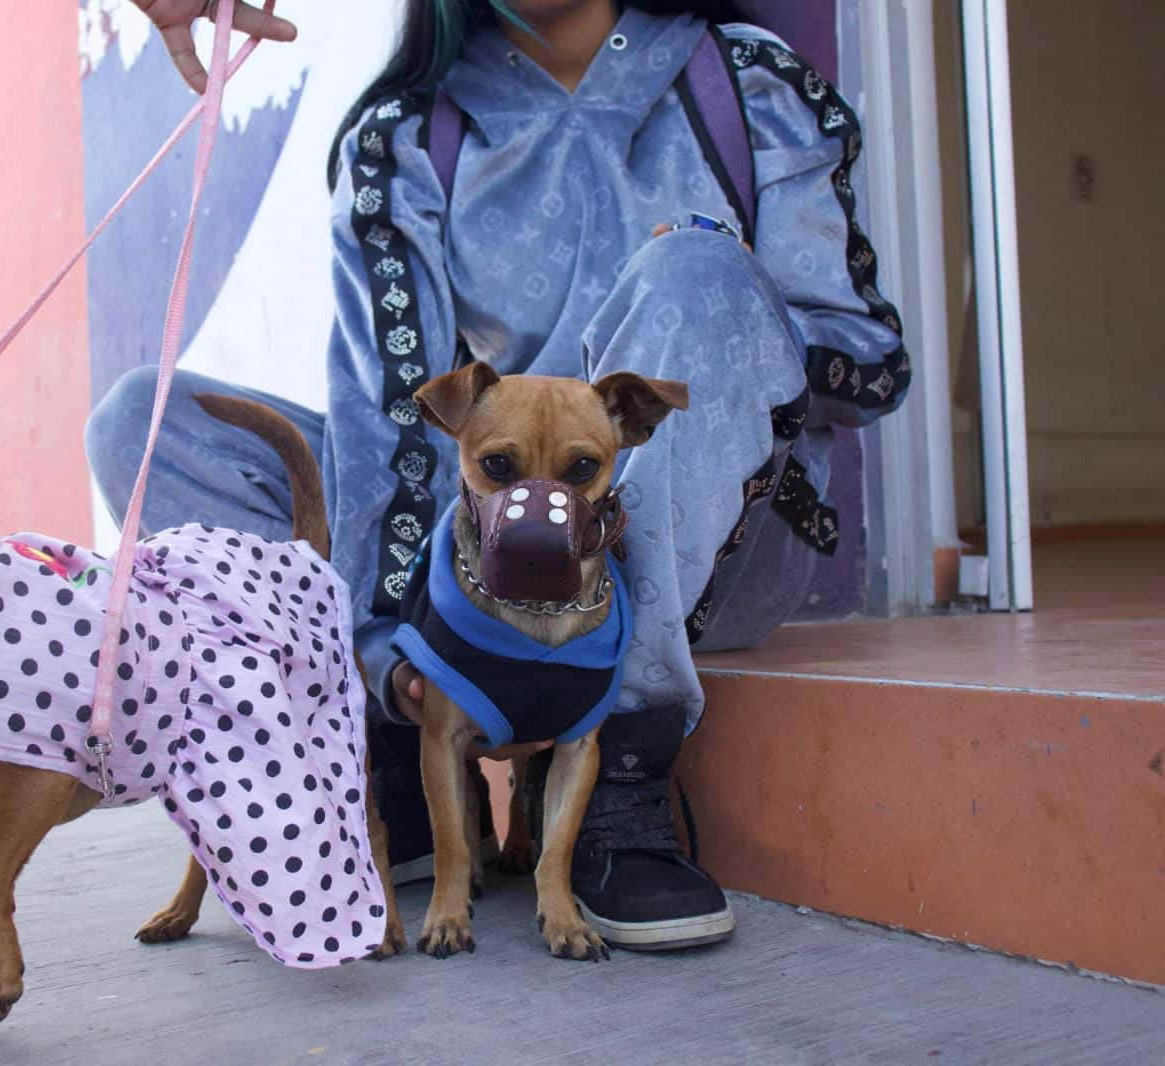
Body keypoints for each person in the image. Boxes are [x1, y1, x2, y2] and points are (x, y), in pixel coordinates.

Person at [95, 0, 908, 950]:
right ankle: (397, 747)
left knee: (695, 272)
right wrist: (388, 644)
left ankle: (624, 771)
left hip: (705, 545)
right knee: (144, 428)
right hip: (478, 564)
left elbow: (869, 361)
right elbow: (389, 409)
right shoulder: (404, 134)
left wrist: (708, 302)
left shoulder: (750, 84)